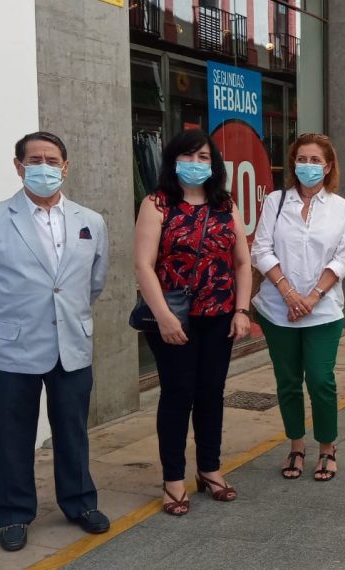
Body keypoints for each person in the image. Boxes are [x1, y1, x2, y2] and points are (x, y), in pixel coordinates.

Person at [0, 132, 110, 551]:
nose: (44, 167)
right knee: (12, 433)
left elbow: (93, 282)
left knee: (72, 430)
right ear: (19, 167)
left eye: (52, 161)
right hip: (11, 349)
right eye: (34, 160)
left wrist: (65, 316)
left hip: (71, 345)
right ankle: (13, 513)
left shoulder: (90, 221)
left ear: (66, 167)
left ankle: (79, 503)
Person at [133, 129, 252, 516]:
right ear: (173, 160)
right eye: (188, 156)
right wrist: (164, 318)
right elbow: (143, 265)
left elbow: (242, 262)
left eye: (203, 157)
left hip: (219, 316)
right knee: (177, 394)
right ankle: (173, 479)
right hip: (173, 319)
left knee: (211, 393)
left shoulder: (225, 204)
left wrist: (241, 310)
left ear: (213, 164)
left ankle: (210, 469)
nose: (196, 164)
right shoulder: (157, 204)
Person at [252, 133, 345, 482]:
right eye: (301, 159)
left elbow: (343, 258)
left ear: (328, 167)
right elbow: (261, 249)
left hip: (323, 312)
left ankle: (327, 447)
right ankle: (296, 446)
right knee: (288, 381)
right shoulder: (276, 201)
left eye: (315, 160)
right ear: (293, 163)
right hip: (277, 310)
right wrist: (289, 294)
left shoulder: (341, 208)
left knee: (321, 380)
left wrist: (311, 298)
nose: (307, 166)